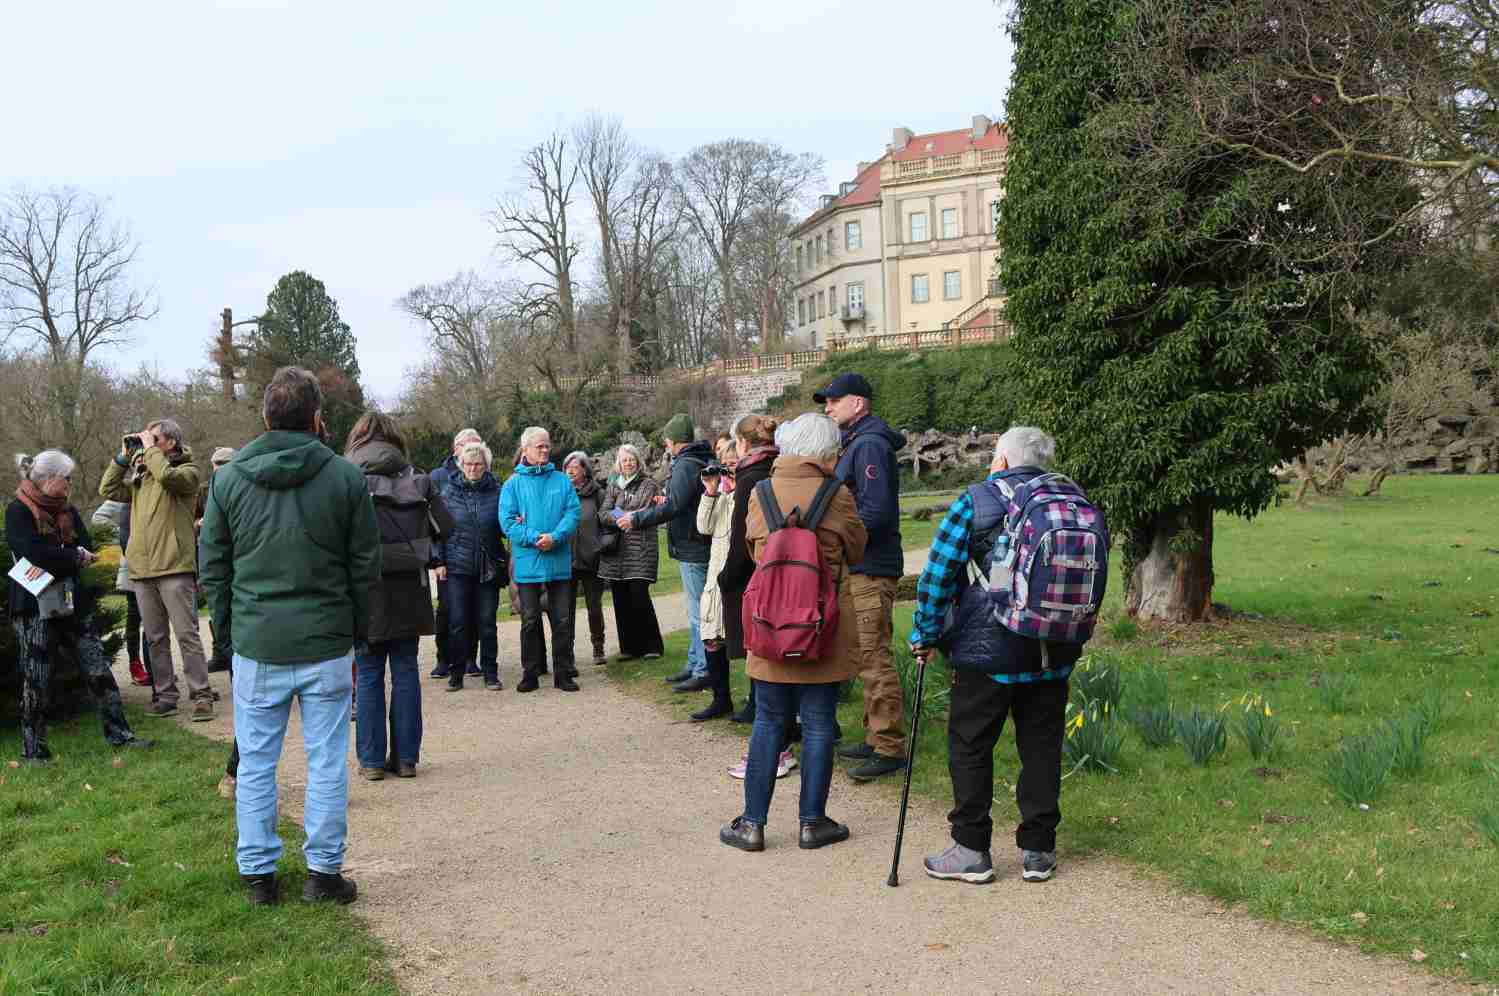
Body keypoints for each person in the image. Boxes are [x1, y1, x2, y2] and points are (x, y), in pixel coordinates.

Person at [199, 366, 381, 907]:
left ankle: (259, 875)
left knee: (256, 761)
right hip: (325, 638)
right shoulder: (345, 477)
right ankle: (323, 874)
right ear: (318, 418)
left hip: (260, 640)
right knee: (326, 759)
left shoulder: (228, 479)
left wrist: (227, 632)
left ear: (265, 416)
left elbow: (214, 564)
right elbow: (364, 564)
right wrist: (357, 628)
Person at [910, 427, 1081, 885]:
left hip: (988, 652)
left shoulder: (978, 499)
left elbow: (937, 575)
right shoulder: (1070, 500)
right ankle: (1039, 851)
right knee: (1042, 748)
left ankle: (971, 849)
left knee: (970, 745)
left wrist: (924, 635)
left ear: (1002, 460)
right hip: (1054, 649)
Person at [719, 413, 867, 853]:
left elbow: (751, 549)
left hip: (770, 624)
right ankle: (812, 822)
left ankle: (752, 824)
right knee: (820, 722)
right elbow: (858, 549)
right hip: (822, 626)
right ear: (825, 452)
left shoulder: (761, 490)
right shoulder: (836, 494)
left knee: (768, 720)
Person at [8, 451, 152, 764]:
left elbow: (84, 543)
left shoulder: (68, 509)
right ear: (48, 479)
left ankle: (120, 735)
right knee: (36, 678)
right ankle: (34, 751)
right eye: (67, 478)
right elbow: (32, 552)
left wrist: (66, 553)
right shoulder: (18, 509)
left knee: (97, 668)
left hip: (73, 600)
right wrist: (71, 556)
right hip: (34, 607)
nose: (71, 484)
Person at [347, 413, 454, 780]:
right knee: (406, 670)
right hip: (410, 582)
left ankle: (372, 761)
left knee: (370, 672)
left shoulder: (345, 477)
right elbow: (448, 526)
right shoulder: (418, 479)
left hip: (365, 585)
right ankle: (406, 758)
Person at [816, 373, 908, 781]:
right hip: (863, 565)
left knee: (873, 656)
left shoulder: (868, 444)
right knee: (864, 653)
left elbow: (877, 512)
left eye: (833, 401)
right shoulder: (858, 440)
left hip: (871, 565)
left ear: (858, 403)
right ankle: (874, 736)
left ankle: (889, 747)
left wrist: (842, 542)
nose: (827, 407)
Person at [99, 417, 215, 722]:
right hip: (142, 568)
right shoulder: (142, 478)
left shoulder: (186, 472)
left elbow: (169, 478)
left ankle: (202, 695)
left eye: (154, 439)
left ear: (171, 443)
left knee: (187, 634)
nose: (147, 444)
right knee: (155, 637)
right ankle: (165, 696)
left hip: (174, 566)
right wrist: (124, 457)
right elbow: (107, 488)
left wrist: (150, 453)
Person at [716, 415, 796, 780]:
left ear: (743, 444)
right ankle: (786, 741)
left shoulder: (751, 478)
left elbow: (741, 538)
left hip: (754, 582)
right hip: (787, 576)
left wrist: (726, 577)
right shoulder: (781, 469)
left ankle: (773, 751)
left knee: (762, 668)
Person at [618, 414, 713, 692]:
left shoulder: (685, 464)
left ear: (673, 440)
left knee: (698, 612)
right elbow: (679, 501)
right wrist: (668, 500)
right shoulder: (698, 460)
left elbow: (676, 507)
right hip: (695, 542)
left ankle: (703, 669)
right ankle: (695, 663)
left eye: (667, 440)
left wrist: (637, 519)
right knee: (695, 609)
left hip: (692, 545)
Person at [499, 426, 581, 693]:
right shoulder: (512, 484)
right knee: (530, 620)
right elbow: (508, 522)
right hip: (528, 564)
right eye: (539, 446)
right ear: (526, 450)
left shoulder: (562, 480)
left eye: (547, 446)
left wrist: (555, 537)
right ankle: (530, 673)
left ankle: (563, 673)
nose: (545, 450)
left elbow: (573, 513)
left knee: (562, 620)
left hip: (558, 561)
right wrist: (536, 537)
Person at [436, 440, 507, 692]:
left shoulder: (498, 491)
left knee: (487, 622)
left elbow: (504, 525)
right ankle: (456, 674)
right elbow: (437, 530)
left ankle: (490, 673)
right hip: (457, 565)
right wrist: (439, 560)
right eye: (468, 464)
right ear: (460, 464)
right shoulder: (447, 492)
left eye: (478, 464)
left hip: (488, 565)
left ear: (485, 465)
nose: (473, 468)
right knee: (457, 622)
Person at [597, 445, 664, 661]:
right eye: (624, 460)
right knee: (620, 599)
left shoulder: (649, 484)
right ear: (618, 463)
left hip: (640, 549)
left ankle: (652, 646)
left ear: (638, 461)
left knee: (639, 597)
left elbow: (645, 511)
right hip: (617, 553)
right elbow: (603, 513)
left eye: (631, 459)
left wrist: (625, 515)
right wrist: (623, 517)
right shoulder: (613, 485)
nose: (628, 463)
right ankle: (629, 648)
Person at [690, 434, 739, 722]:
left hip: (737, 576)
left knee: (746, 643)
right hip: (716, 576)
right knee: (711, 637)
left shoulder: (747, 493)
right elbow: (703, 527)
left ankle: (755, 704)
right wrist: (711, 491)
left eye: (733, 464)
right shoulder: (719, 496)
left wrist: (734, 489)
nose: (727, 470)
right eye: (724, 465)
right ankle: (721, 699)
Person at [429, 428, 484, 680]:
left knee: (473, 608)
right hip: (447, 554)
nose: (474, 449)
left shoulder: (483, 473)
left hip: (473, 555)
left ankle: (470, 657)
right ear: (456, 449)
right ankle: (444, 658)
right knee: (447, 609)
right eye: (468, 445)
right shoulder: (438, 477)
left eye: (478, 445)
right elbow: (430, 521)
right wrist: (437, 559)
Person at [89, 499, 153, 691]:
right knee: (135, 616)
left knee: (155, 618)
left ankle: (155, 667)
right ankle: (135, 664)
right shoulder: (126, 491)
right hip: (133, 564)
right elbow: (98, 517)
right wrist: (125, 535)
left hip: (159, 560)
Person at [562, 451, 608, 666]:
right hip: (566, 560)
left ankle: (598, 648)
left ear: (584, 470)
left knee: (594, 607)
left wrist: (600, 546)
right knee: (566, 609)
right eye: (567, 467)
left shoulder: (598, 493)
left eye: (575, 467)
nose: (570, 471)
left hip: (592, 560)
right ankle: (567, 652)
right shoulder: (560, 493)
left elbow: (609, 522)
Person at [199, 446, 237, 674]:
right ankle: (221, 654)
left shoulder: (241, 487)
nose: (219, 471)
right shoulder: (206, 490)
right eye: (216, 466)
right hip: (212, 556)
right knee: (219, 613)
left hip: (235, 560)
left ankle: (232, 663)